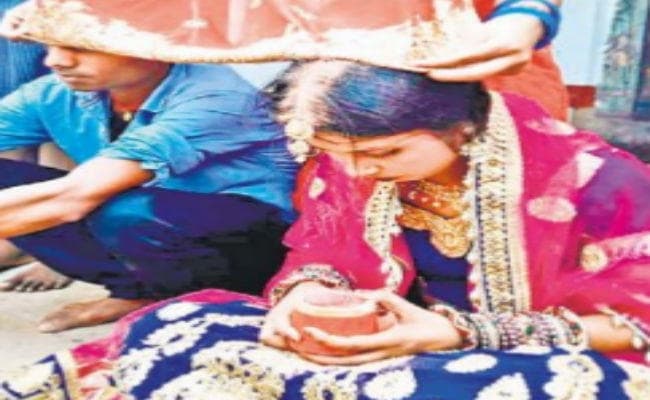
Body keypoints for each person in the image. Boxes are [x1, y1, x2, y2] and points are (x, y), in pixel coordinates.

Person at [4, 61, 648, 399]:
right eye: (342, 156)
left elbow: (637, 323)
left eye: (384, 154)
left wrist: (457, 332)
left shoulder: (598, 181)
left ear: (464, 127)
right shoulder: (353, 165)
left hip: (526, 349)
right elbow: (319, 252)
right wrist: (305, 298)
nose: (361, 172)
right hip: (391, 335)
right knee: (172, 327)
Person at [0, 44, 297, 334]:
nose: (56, 60)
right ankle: (136, 291)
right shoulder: (57, 92)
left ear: (155, 45)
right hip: (145, 223)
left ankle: (174, 294)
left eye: (83, 47)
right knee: (114, 210)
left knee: (125, 212)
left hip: (255, 243)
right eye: (50, 45)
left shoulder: (220, 97)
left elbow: (72, 197)